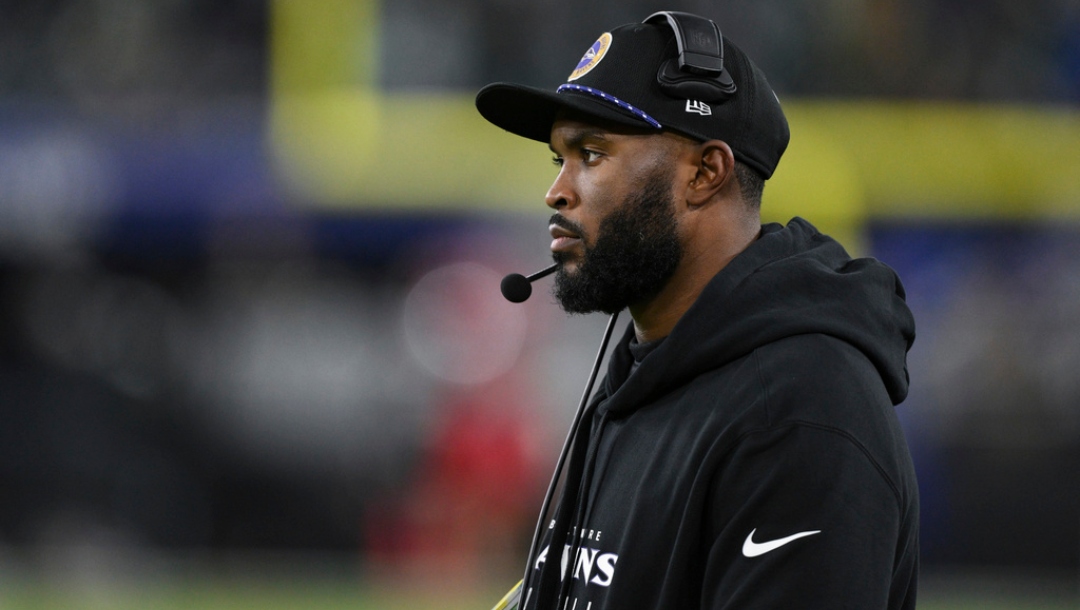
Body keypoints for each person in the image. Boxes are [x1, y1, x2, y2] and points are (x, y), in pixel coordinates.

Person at [475, 10, 918, 610]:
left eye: (593, 153)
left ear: (706, 173)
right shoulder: (638, 379)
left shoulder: (800, 409)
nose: (556, 190)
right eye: (560, 159)